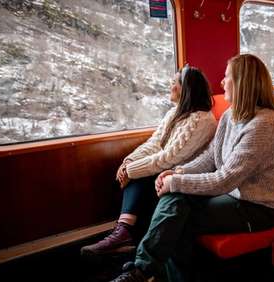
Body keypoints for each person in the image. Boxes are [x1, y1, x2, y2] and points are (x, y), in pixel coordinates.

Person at [109, 54, 274, 282]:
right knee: (174, 199)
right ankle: (146, 270)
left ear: (243, 82)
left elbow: (225, 179)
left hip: (258, 207)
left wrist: (175, 182)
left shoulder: (264, 124)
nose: (222, 82)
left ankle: (143, 271)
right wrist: (178, 173)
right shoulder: (230, 115)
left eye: (227, 77)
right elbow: (211, 158)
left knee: (178, 216)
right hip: (233, 194)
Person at [80, 65, 217, 255]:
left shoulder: (202, 120)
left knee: (140, 174)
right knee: (137, 171)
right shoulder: (174, 113)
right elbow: (155, 143)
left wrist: (131, 170)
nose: (170, 86)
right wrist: (129, 161)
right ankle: (124, 232)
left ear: (186, 89)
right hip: (166, 169)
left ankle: (124, 235)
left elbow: (170, 158)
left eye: (174, 83)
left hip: (182, 174)